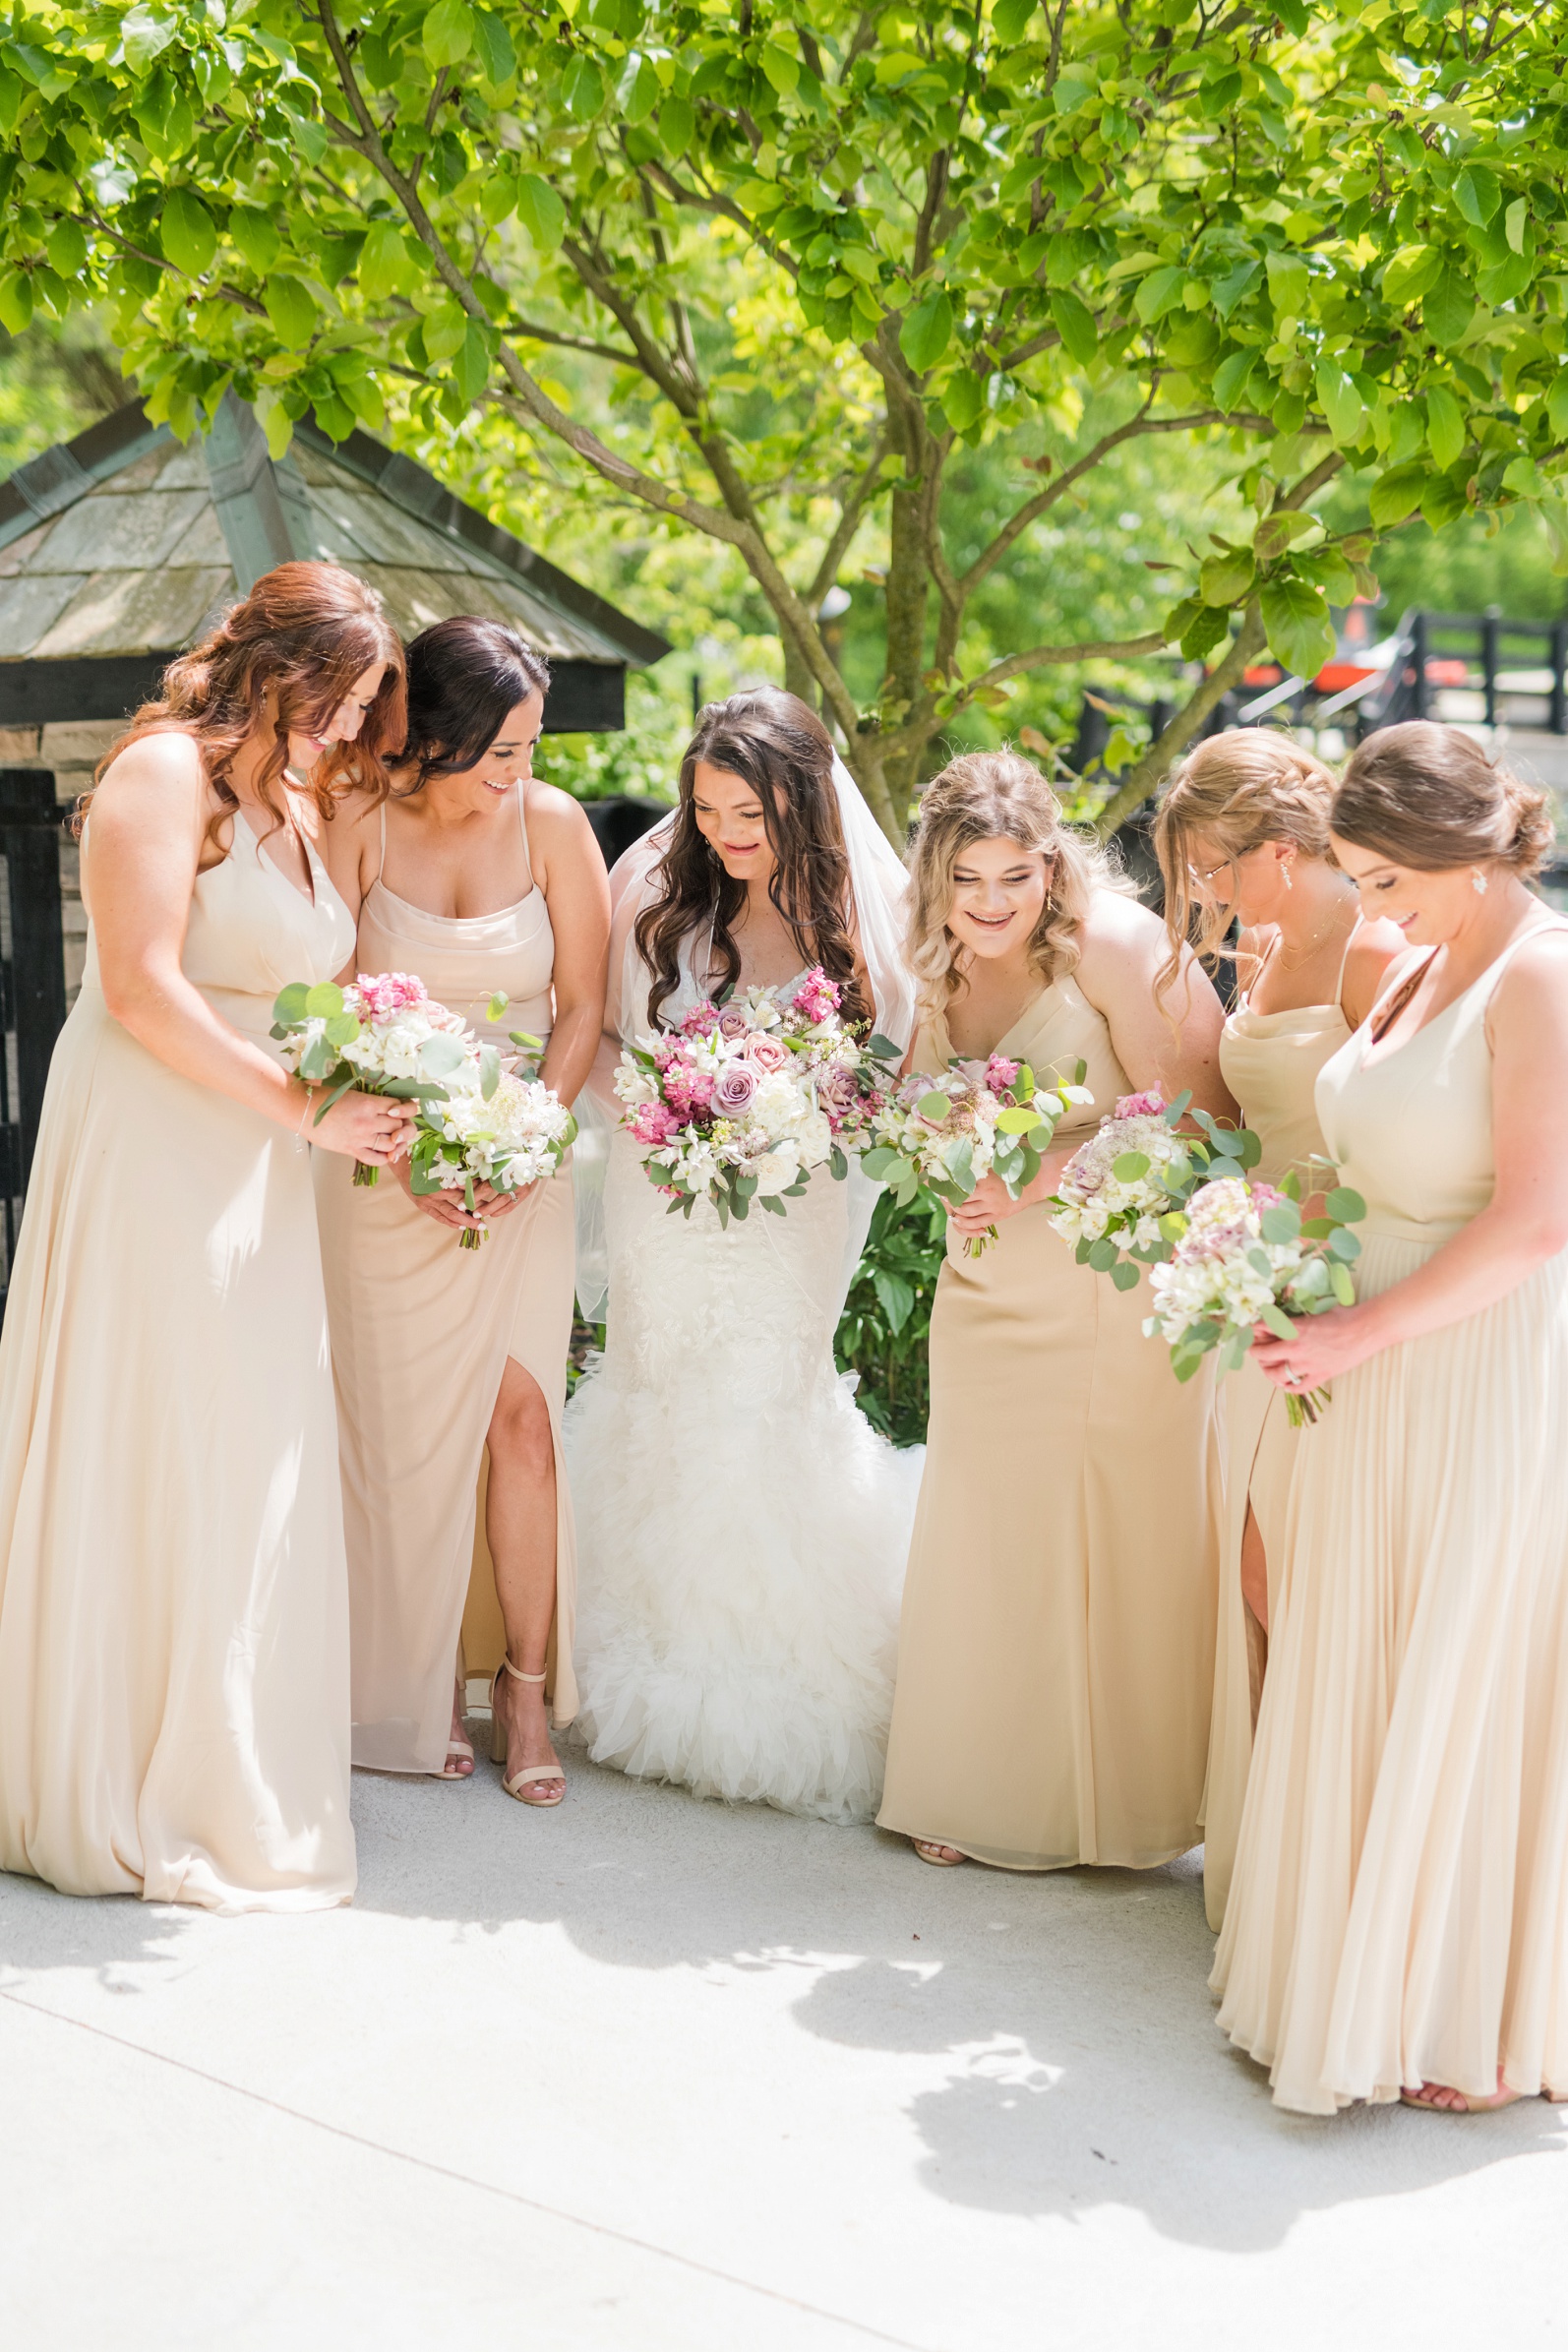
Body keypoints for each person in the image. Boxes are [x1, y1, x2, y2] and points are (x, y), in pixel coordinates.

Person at [0, 560, 408, 1911]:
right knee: (158, 1423)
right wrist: (305, 1108)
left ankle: (225, 1755)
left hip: (261, 1152)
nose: (348, 728)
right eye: (337, 699)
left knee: (245, 1436)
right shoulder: (162, 772)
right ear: (275, 669)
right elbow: (138, 985)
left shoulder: (297, 798)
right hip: (155, 1134)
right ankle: (112, 1764)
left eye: (361, 706)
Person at [1215, 721, 1568, 2115]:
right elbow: (1361, 1155)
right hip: (1361, 1357)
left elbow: (1537, 1218)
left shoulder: (1538, 973)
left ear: (1463, 850)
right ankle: (1361, 1974)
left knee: (1459, 1661)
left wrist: (1361, 1329)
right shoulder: (1421, 954)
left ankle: (1466, 2017)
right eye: (1357, 880)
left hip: (1472, 1365)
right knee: (1362, 1644)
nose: (1369, 907)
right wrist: (1275, 1263)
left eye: (1385, 880)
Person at [564, 688, 921, 1824]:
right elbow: (598, 1035)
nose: (722, 834)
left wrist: (795, 1112)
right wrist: (669, 1103)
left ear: (802, 805)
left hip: (789, 1205)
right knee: (657, 1391)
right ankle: (640, 1651)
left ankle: (768, 1674)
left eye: (748, 814)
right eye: (708, 809)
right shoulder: (654, 886)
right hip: (661, 1191)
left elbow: (890, 1078)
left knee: (765, 1400)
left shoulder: (867, 916)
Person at [876, 749, 1234, 1871]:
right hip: (984, 1280)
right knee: (985, 1524)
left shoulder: (1115, 947)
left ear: (1051, 867)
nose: (989, 905)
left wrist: (1037, 1175)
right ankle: (980, 1785)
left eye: (1013, 879)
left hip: (1102, 1282)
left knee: (1106, 1535)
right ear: (934, 879)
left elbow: (1202, 1121)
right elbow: (917, 1095)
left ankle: (1116, 1808)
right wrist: (933, 1136)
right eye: (965, 881)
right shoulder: (935, 961)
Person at [318, 618, 608, 1803]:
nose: (517, 772)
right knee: (397, 1435)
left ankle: (524, 1691)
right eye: (500, 751)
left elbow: (582, 1007)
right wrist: (405, 1159)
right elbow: (330, 1009)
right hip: (385, 1169)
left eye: (531, 748)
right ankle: (422, 1673)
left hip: (523, 1162)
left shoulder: (554, 826)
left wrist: (531, 1138)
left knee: (521, 1425)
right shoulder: (359, 821)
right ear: (433, 736)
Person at [1153, 732, 1403, 1930]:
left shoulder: (1373, 949)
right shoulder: (1259, 945)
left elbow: (1401, 1135)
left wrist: (1316, 1255)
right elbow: (1236, 1124)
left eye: (1213, 866)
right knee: (1252, 1571)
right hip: (1251, 1285)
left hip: (1338, 1284)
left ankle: (1336, 1858)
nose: (1205, 892)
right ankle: (1269, 1851)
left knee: (1301, 1572)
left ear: (1280, 849)